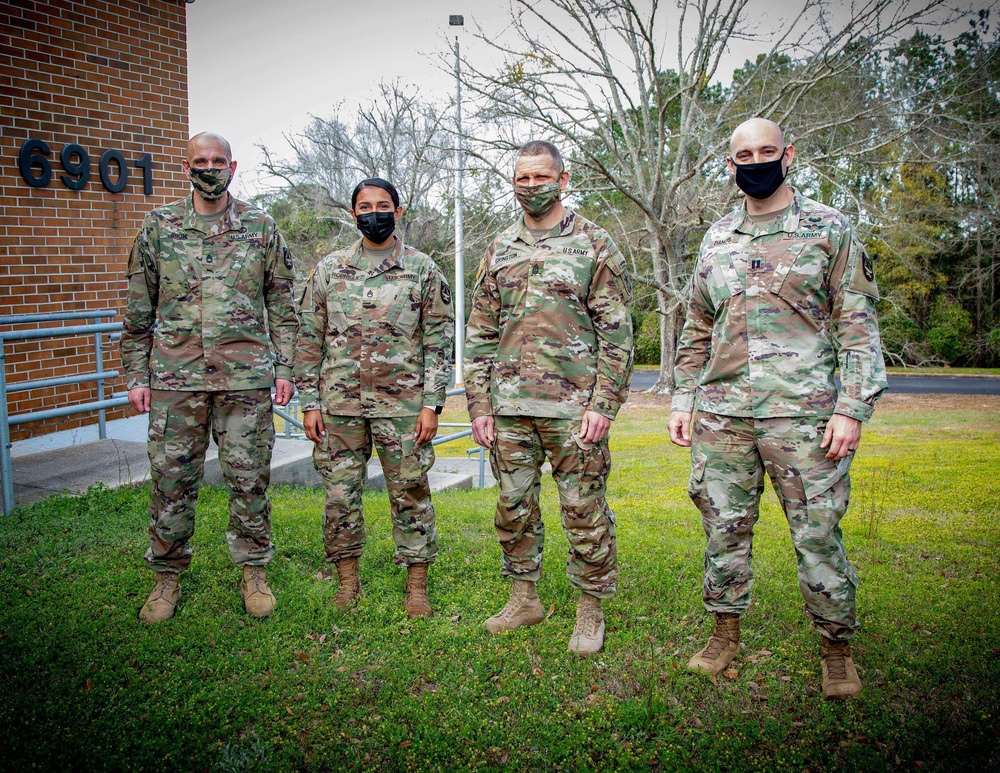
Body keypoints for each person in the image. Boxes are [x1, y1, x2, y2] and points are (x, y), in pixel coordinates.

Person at [667, 118, 888, 699]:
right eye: (745, 153)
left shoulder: (828, 229)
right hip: (723, 416)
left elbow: (859, 328)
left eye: (767, 150)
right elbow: (695, 326)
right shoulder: (716, 238)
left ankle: (836, 651)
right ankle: (724, 633)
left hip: (804, 417)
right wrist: (683, 397)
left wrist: (851, 408)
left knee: (817, 536)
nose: (757, 160)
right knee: (723, 530)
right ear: (730, 163)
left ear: (788, 153)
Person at [120, 132, 297, 623]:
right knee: (172, 482)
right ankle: (165, 579)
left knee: (249, 479)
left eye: (218, 160)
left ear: (233, 167)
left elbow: (283, 308)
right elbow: (137, 311)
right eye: (201, 160)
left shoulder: (261, 227)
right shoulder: (158, 228)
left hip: (245, 382)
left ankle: (254, 571)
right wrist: (137, 375)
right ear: (186, 167)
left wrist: (285, 369)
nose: (210, 168)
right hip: (176, 381)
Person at [465, 140, 633, 655]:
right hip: (510, 408)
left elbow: (618, 334)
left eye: (541, 178)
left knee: (583, 509)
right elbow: (480, 332)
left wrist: (603, 405)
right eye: (522, 179)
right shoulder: (499, 249)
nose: (531, 187)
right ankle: (524, 598)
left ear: (563, 180)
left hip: (574, 409)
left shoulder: (594, 244)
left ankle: (589, 609)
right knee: (514, 507)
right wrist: (479, 404)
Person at [294, 178, 454, 618]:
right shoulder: (329, 269)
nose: (374, 213)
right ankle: (348, 582)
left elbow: (439, 342)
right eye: (365, 206)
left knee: (410, 494)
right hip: (338, 408)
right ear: (353, 214)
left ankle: (416, 586)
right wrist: (309, 401)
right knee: (340, 497)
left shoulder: (423, 269)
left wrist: (431, 403)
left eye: (383, 205)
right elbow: (309, 338)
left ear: (398, 211)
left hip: (403, 408)